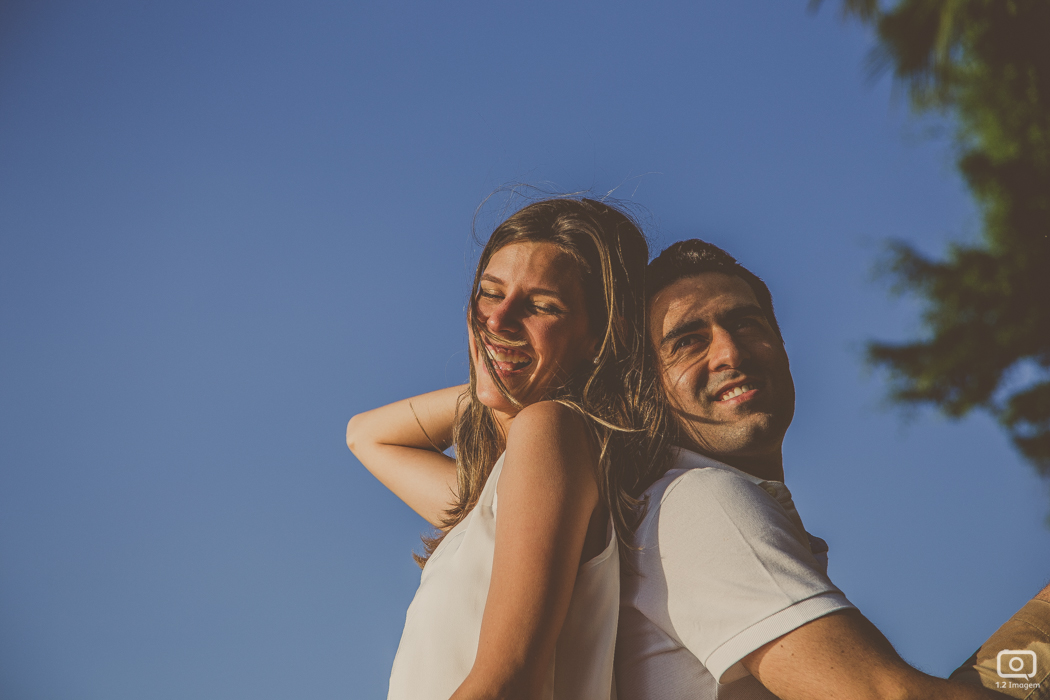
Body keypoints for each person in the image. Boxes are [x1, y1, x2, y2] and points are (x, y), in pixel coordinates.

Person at [615, 238, 1050, 700]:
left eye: (746, 324)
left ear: (781, 346)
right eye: (687, 342)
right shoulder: (700, 499)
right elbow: (883, 696)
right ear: (647, 388)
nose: (730, 353)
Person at [346, 198, 673, 700]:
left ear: (602, 336)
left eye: (542, 306)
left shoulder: (551, 431)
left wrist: (509, 379)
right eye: (489, 294)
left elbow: (506, 681)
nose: (497, 320)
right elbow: (365, 435)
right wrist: (494, 379)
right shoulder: (498, 494)